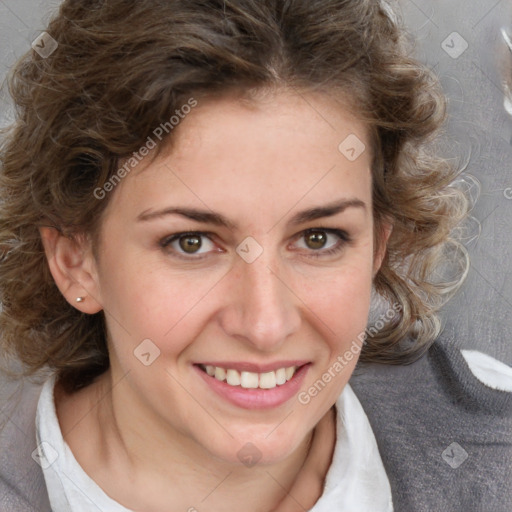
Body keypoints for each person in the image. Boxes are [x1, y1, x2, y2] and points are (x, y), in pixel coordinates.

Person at [0, 0, 511, 511]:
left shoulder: (495, 447)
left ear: (377, 246)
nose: (265, 325)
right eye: (191, 243)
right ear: (75, 260)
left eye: (318, 238)